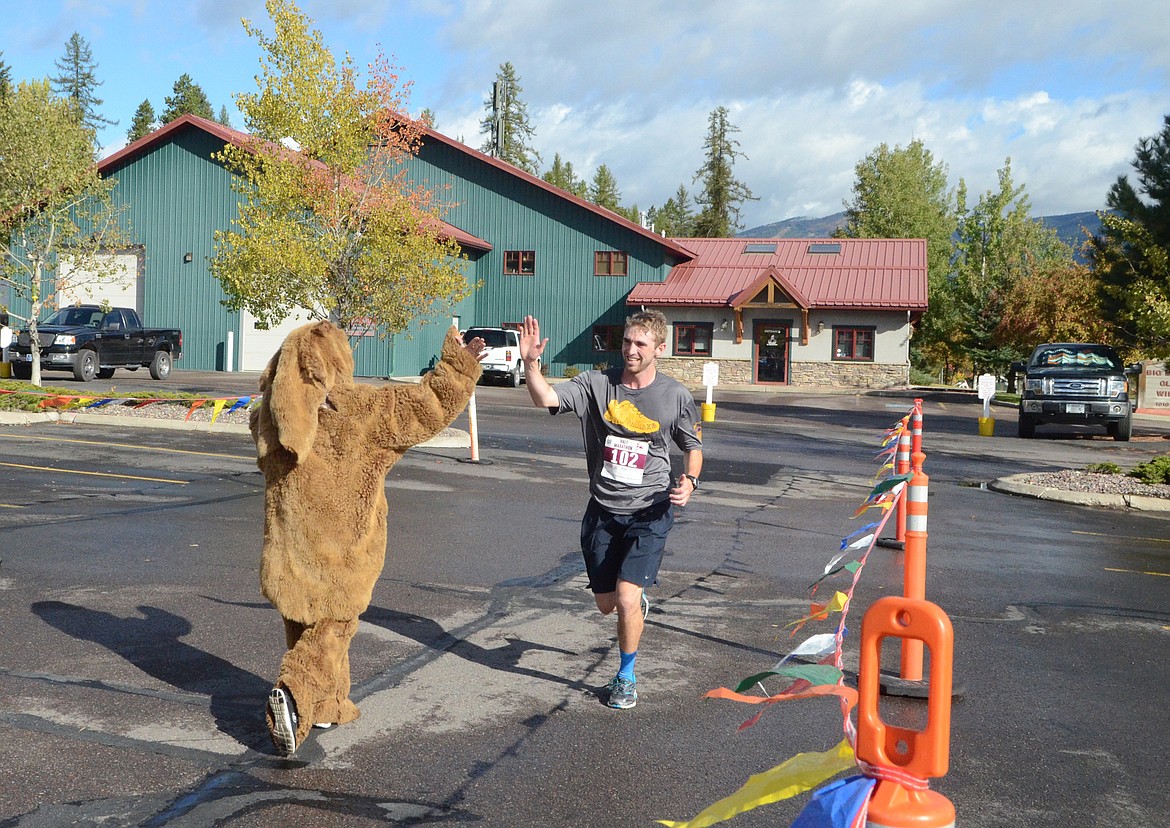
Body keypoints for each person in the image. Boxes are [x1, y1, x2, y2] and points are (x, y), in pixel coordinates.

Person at [520, 310, 702, 709]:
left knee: (624, 597)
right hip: (602, 509)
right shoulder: (596, 384)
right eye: (626, 342)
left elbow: (693, 447)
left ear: (659, 348)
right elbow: (544, 398)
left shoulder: (674, 396)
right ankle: (632, 606)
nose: (631, 350)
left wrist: (690, 481)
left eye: (640, 344)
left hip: (650, 510)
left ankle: (625, 677)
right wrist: (531, 364)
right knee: (607, 605)